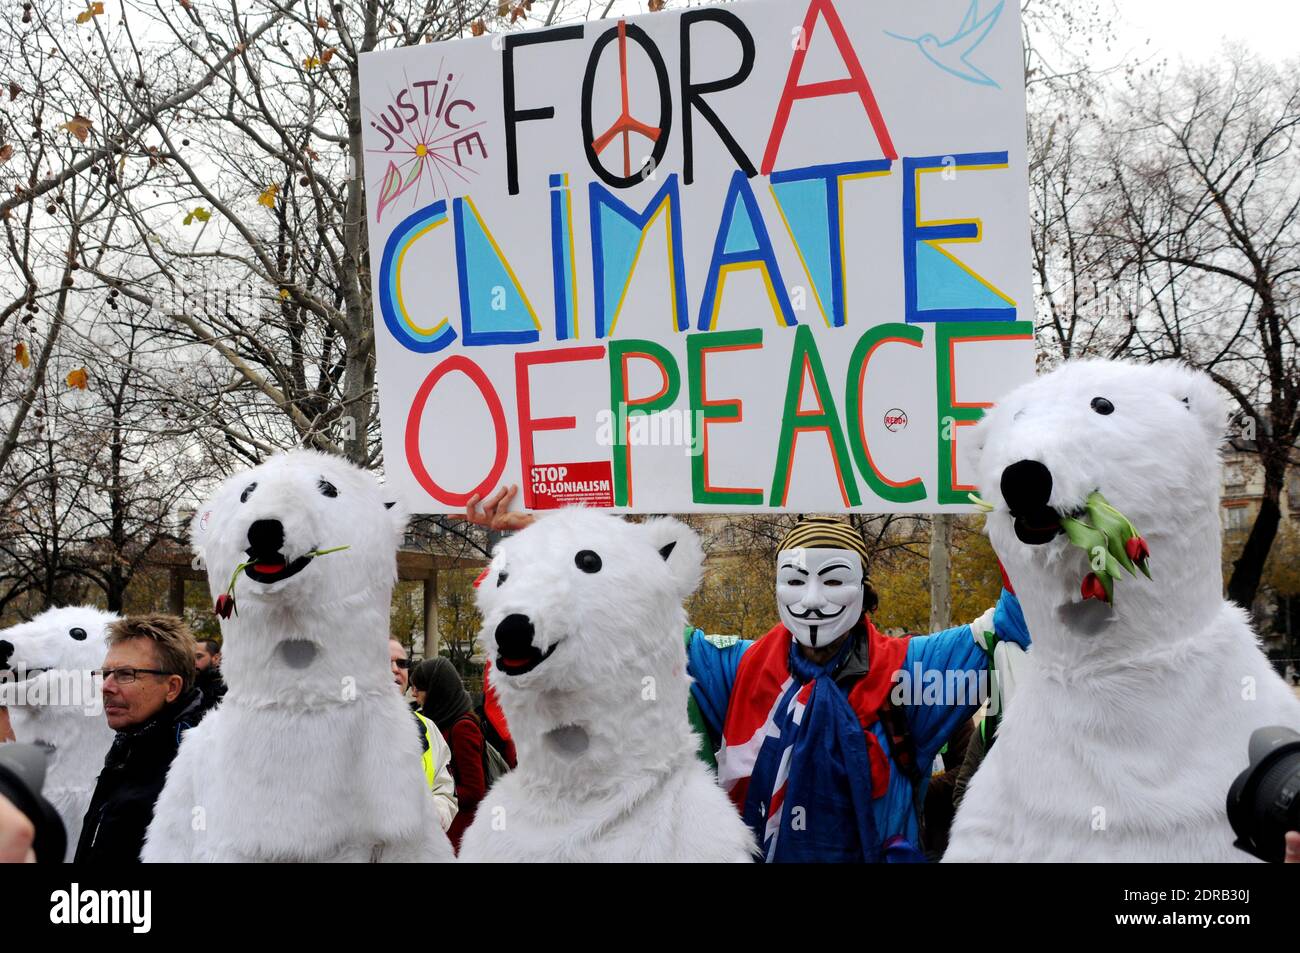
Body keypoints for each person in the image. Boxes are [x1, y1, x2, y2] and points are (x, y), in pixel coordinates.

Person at [465, 490, 1030, 863]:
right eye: (795, 580)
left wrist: (1022, 511)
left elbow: (1022, 613)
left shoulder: (915, 669)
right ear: (775, 587)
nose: (812, 600)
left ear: (865, 590)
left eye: (834, 581)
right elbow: (622, 609)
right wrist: (550, 539)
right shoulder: (732, 668)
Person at [75, 614, 206, 863]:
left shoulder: (198, 764)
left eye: (125, 674)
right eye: (106, 674)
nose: (106, 687)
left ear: (172, 687)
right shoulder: (129, 744)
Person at [411, 657, 486, 852]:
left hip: (458, 833)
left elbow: (475, 789)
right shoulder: (440, 720)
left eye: (418, 688)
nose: (413, 693)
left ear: (436, 690)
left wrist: (433, 797)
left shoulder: (462, 728)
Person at [390, 639, 458, 833]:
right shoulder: (341, 727)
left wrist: (434, 814)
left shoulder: (427, 728)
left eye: (402, 663)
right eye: (385, 662)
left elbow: (446, 793)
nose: (395, 669)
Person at [193, 637, 226, 713]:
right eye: (191, 657)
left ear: (216, 658)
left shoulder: (225, 690)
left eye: (198, 657)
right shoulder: (192, 684)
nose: (193, 662)